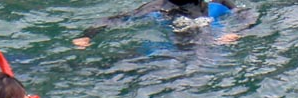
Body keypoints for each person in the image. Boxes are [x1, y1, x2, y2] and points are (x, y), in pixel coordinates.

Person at [73, 0, 239, 48]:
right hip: (165, 50)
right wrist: (87, 36)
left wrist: (237, 32)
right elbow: (112, 19)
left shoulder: (218, 4)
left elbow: (247, 16)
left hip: (209, 46)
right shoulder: (157, 7)